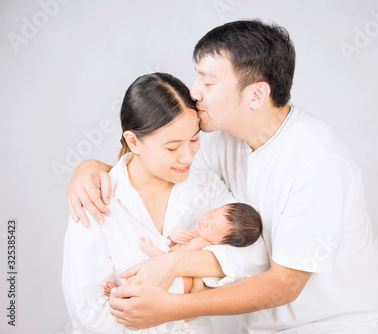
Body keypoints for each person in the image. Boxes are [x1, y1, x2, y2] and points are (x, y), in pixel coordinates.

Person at [67, 20, 378, 333]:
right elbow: (156, 164)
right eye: (197, 78)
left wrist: (171, 301)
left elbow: (285, 284)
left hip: (339, 323)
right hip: (268, 325)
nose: (194, 92)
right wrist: (92, 168)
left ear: (256, 95)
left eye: (208, 83)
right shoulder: (225, 142)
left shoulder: (319, 161)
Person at [62, 72, 268, 334]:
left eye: (194, 140)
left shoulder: (206, 186)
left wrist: (175, 265)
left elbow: (256, 255)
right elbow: (87, 309)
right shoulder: (94, 198)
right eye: (172, 148)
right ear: (134, 141)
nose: (187, 156)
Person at [104, 203, 263, 296]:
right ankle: (123, 293)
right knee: (139, 280)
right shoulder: (198, 234)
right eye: (213, 213)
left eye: (213, 228)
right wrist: (174, 234)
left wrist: (150, 249)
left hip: (177, 284)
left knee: (142, 283)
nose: (207, 221)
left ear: (223, 244)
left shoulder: (201, 244)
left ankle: (121, 295)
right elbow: (172, 249)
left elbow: (169, 261)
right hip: (171, 276)